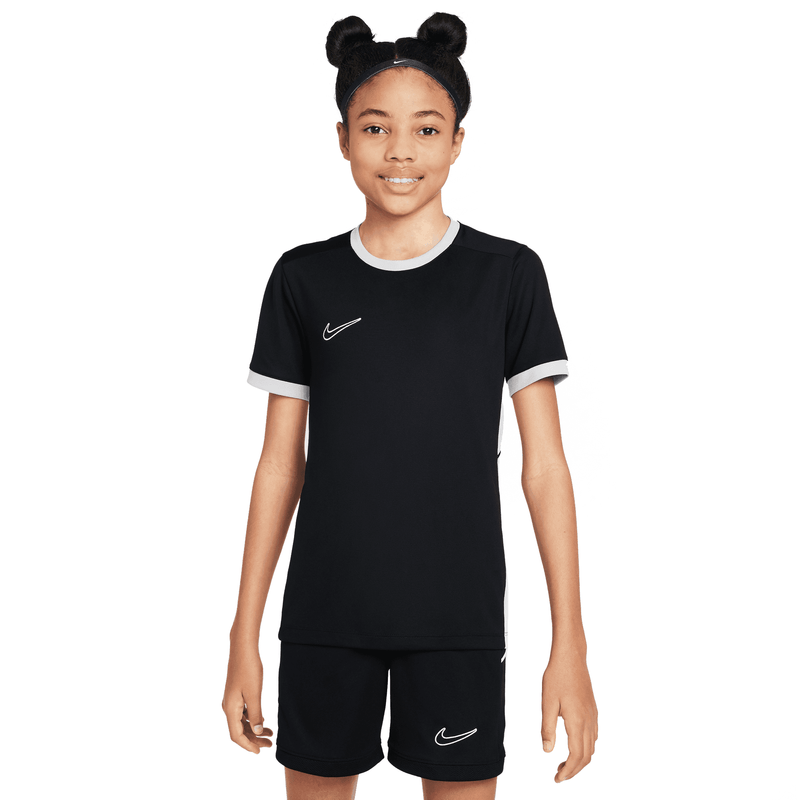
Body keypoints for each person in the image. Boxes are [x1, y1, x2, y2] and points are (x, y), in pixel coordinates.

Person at [222, 12, 598, 799]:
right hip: (325, 618)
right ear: (342, 139)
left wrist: (571, 642)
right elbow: (279, 466)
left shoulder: (507, 275)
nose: (400, 151)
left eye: (426, 129)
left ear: (458, 142)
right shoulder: (302, 279)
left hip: (457, 622)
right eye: (375, 128)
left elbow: (546, 471)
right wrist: (242, 634)